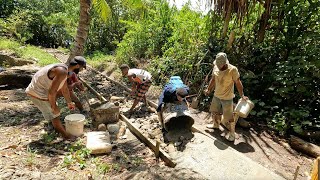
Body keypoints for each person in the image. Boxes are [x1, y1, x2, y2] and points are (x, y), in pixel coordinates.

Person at [26, 56, 87, 139]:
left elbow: (64, 89)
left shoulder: (65, 70)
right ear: (77, 66)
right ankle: (65, 135)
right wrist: (54, 107)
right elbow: (52, 92)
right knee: (55, 114)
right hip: (37, 93)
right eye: (82, 68)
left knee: (54, 112)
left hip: (41, 90)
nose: (81, 70)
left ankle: (54, 125)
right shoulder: (62, 72)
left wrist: (69, 102)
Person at [204, 52, 248, 142]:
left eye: (221, 65)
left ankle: (232, 133)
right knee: (215, 112)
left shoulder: (233, 70)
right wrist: (209, 89)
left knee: (229, 117)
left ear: (225, 63)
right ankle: (216, 125)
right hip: (217, 95)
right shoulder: (215, 67)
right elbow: (213, 79)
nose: (219, 66)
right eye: (218, 64)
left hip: (227, 98)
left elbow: (238, 83)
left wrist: (242, 95)